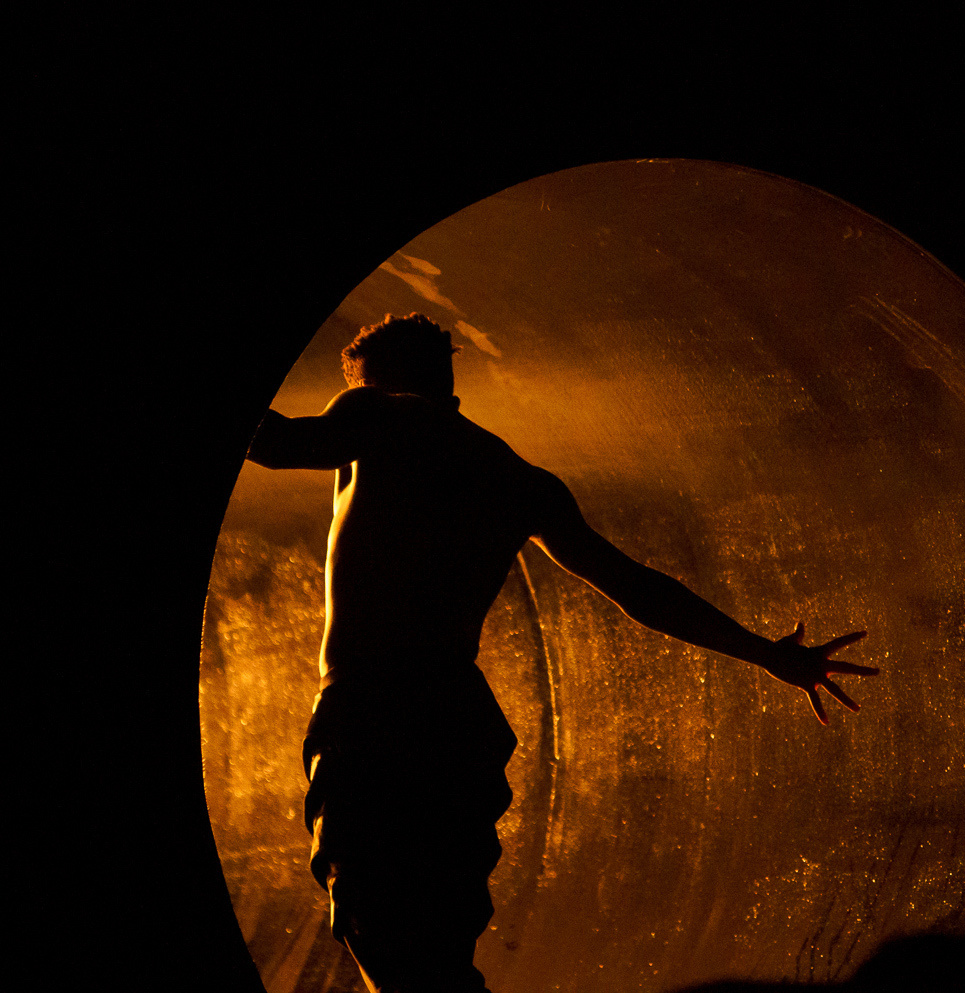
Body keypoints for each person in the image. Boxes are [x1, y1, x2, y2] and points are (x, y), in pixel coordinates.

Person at [246, 313, 876, 993]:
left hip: (375, 712)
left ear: (378, 384)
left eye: (358, 391)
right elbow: (636, 588)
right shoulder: (517, 478)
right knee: (438, 936)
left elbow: (275, 443)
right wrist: (767, 654)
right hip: (458, 718)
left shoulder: (379, 413)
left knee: (380, 921)